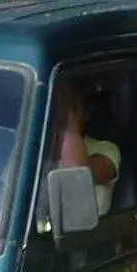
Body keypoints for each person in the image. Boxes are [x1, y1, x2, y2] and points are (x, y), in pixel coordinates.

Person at [52, 82, 121, 216]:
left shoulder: (107, 150)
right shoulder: (38, 151)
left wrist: (69, 124)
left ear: (86, 111)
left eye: (72, 107)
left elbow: (78, 177)